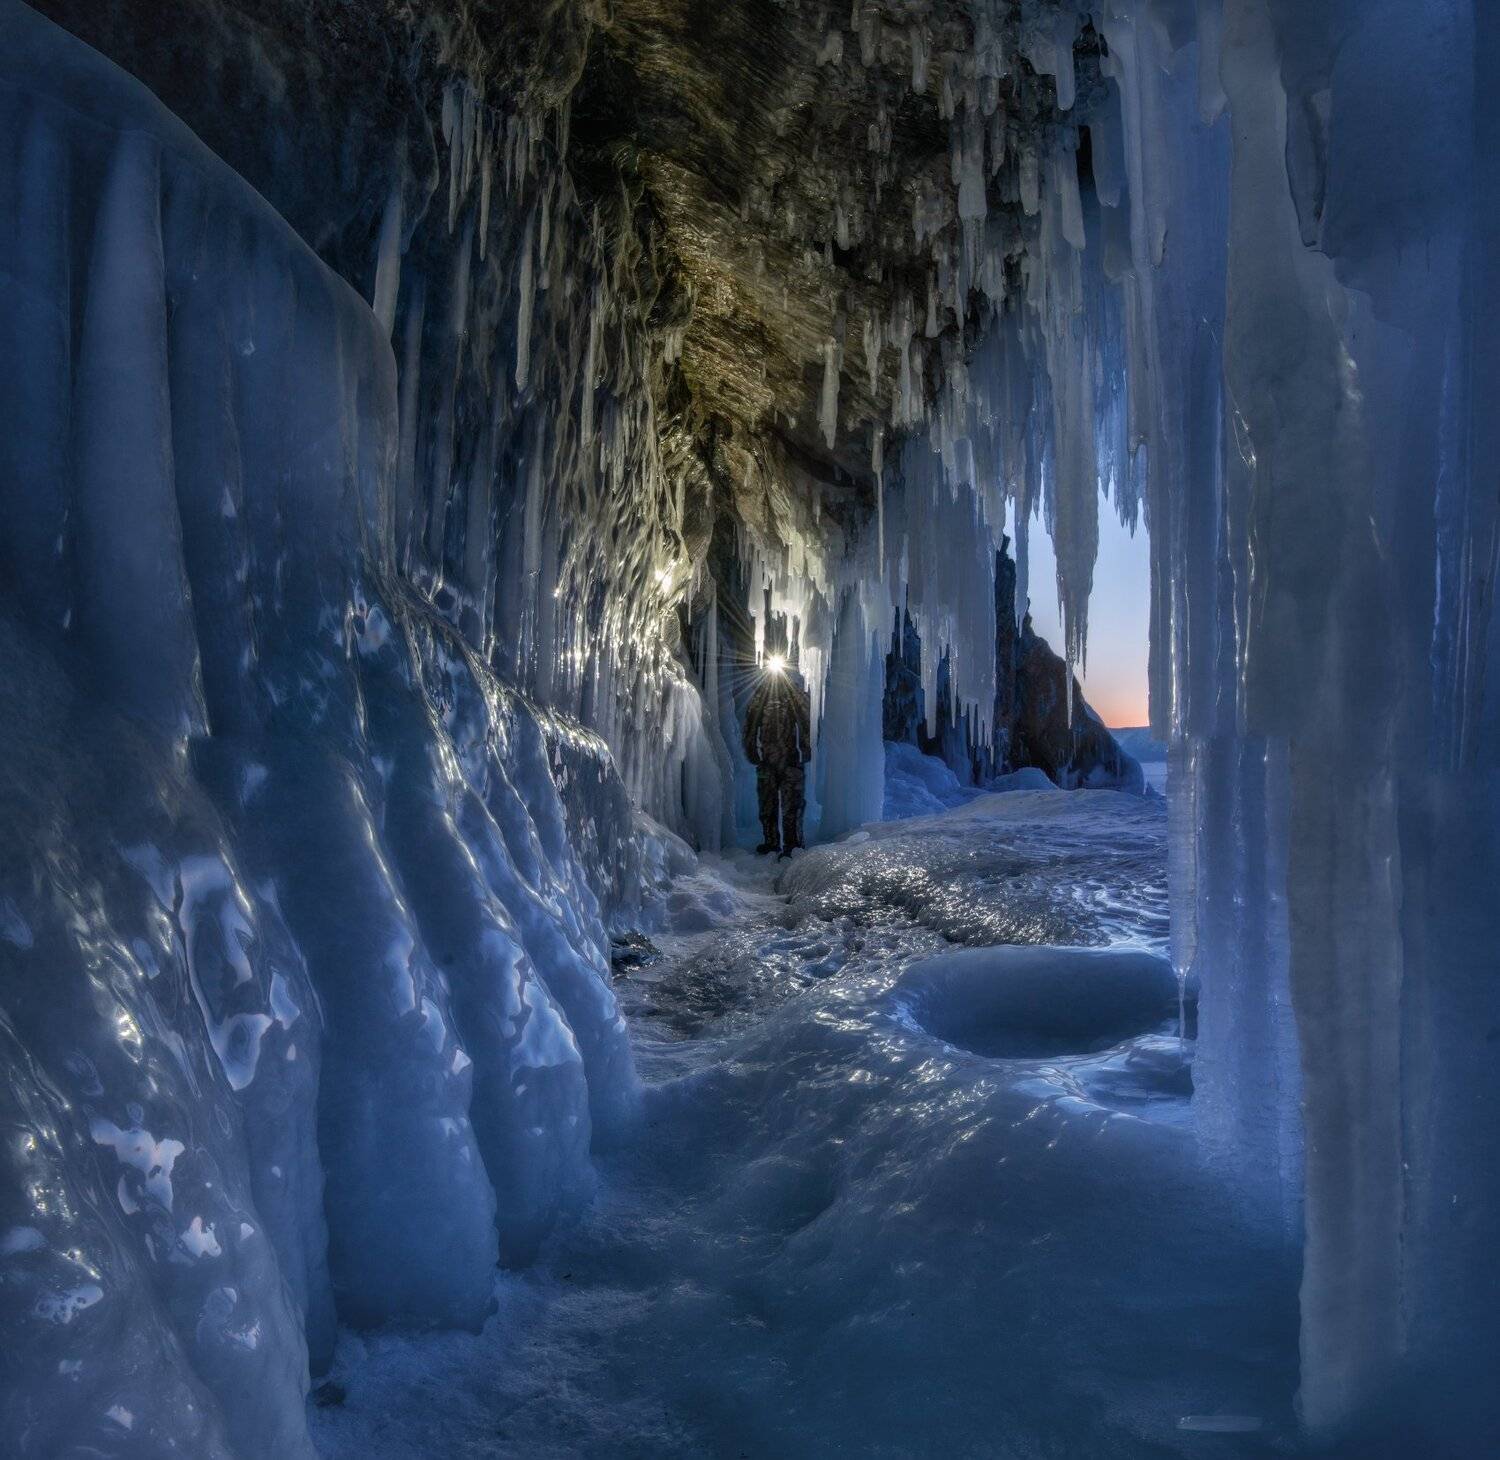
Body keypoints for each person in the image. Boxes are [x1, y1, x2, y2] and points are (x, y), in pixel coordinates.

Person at [742, 658, 812, 857]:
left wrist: (806, 749)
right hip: (767, 762)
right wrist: (752, 751)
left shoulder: (794, 694)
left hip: (791, 760)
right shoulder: (759, 696)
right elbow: (750, 724)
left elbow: (806, 719)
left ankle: (793, 845)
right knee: (767, 804)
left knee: (793, 805)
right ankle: (771, 842)